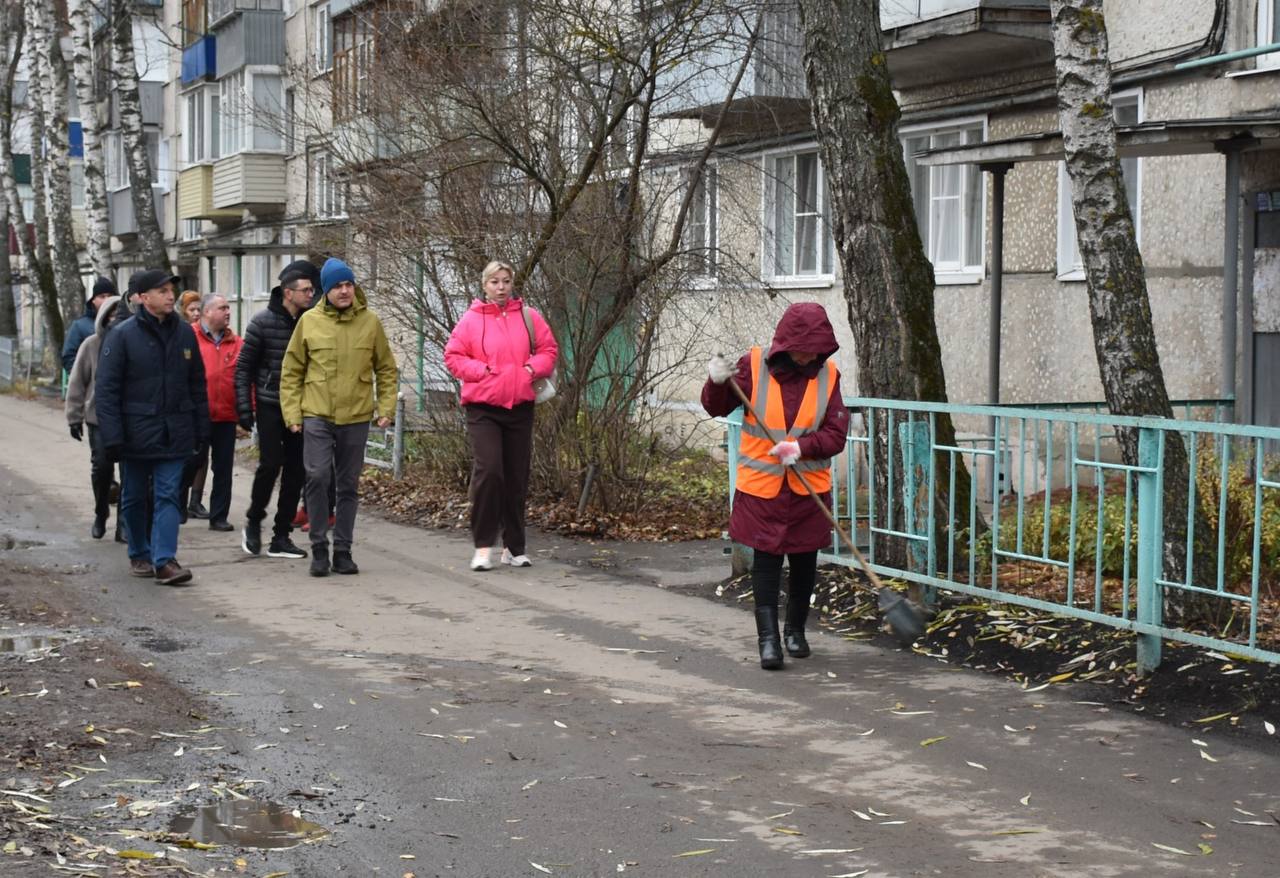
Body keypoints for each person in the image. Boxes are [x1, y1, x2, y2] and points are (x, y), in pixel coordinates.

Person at [701, 302, 849, 670]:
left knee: (804, 565)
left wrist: (801, 447)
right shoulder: (752, 366)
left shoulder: (828, 376)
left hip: (806, 490)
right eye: (803, 347)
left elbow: (836, 432)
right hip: (762, 490)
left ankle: (795, 631)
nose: (809, 354)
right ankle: (768, 641)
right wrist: (716, 382)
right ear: (787, 343)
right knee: (765, 565)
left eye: (816, 347)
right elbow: (717, 407)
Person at [279, 258, 398, 577]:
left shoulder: (370, 322)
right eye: (337, 286)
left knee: (347, 485)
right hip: (316, 412)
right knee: (317, 476)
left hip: (356, 415)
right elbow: (291, 371)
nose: (344, 291)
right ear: (325, 291)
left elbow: (386, 368)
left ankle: (342, 550)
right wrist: (292, 412)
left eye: (348, 285)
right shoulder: (310, 322)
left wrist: (386, 408)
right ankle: (319, 547)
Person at [95, 269, 209, 586]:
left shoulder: (186, 334)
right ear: (143, 298)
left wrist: (202, 429)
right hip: (135, 433)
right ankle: (139, 552)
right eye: (162, 291)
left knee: (169, 495)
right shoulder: (121, 335)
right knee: (133, 496)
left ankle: (165, 561)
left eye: (171, 289)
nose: (170, 295)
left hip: (176, 430)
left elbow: (197, 385)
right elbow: (106, 391)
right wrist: (113, 437)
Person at [444, 260, 558, 572]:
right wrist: (480, 371)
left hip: (520, 407)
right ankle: (483, 547)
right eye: (495, 282)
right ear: (484, 285)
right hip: (483, 408)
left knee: (516, 478)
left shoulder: (528, 316)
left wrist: (531, 369)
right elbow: (453, 356)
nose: (501, 287)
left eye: (506, 281)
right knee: (490, 472)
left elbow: (548, 350)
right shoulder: (471, 320)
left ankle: (514, 547)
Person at [235, 261, 319, 560]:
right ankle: (254, 521)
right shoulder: (262, 323)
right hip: (271, 404)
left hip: (302, 406)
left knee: (297, 470)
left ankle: (281, 535)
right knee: (270, 464)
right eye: (306, 289)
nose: (311, 294)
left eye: (312, 289)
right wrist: (244, 408)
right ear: (288, 293)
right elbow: (243, 368)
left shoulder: (311, 322)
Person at [64, 294, 124, 540]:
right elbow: (77, 381)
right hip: (97, 417)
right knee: (101, 466)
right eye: (110, 315)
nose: (114, 320)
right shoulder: (91, 344)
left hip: (129, 417)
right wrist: (74, 417)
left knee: (132, 473)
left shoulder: (132, 343)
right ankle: (101, 512)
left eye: (119, 316)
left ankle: (124, 523)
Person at [183, 294, 243, 532]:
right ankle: (178, 504)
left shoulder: (237, 343)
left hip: (225, 416)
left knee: (223, 468)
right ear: (207, 312)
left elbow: (243, 378)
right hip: (195, 414)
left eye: (228, 308)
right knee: (190, 462)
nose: (228, 312)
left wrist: (247, 409)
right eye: (222, 308)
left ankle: (218, 516)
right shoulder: (188, 337)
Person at [179, 289, 210, 520]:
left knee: (202, 455)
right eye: (192, 310)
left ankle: (195, 501)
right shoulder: (182, 335)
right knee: (187, 456)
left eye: (199, 309)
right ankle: (180, 498)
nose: (196, 313)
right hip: (186, 404)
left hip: (207, 403)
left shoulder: (208, 334)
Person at [61, 277, 116, 374]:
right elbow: (69, 357)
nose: (107, 300)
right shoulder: (80, 326)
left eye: (110, 296)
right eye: (102, 296)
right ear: (93, 300)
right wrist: (85, 376)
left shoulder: (125, 323)